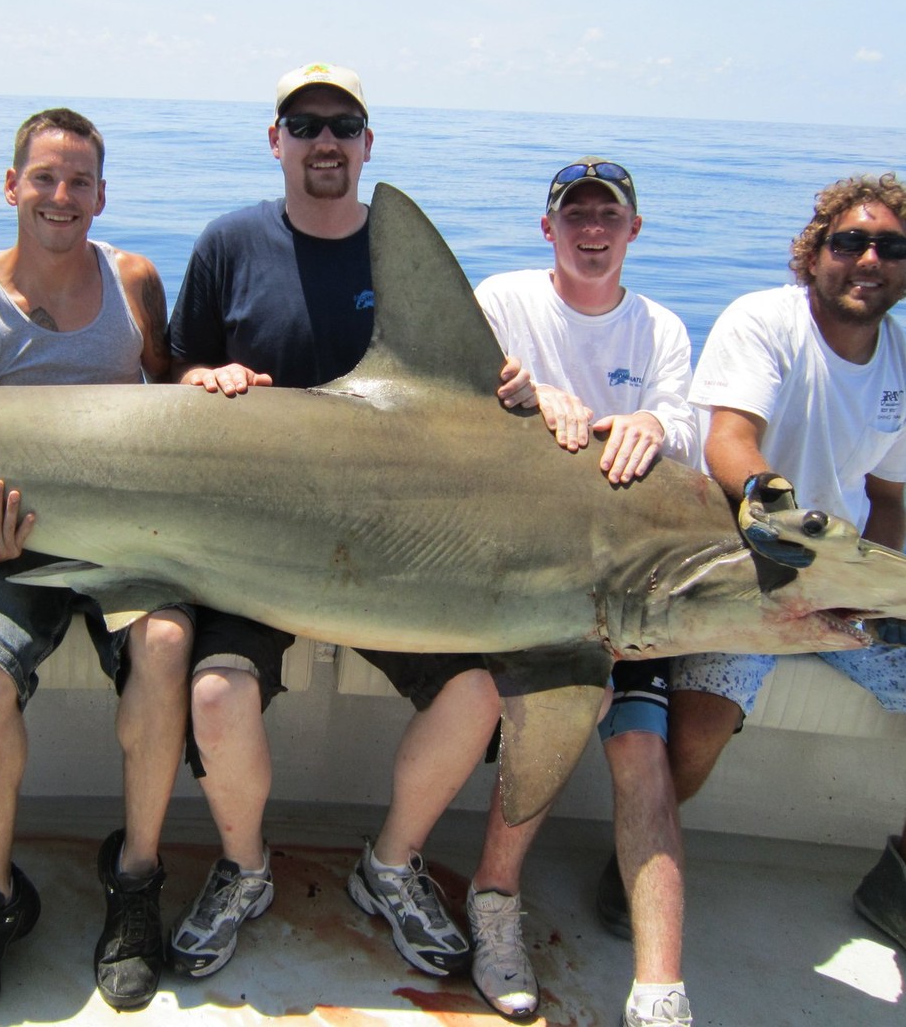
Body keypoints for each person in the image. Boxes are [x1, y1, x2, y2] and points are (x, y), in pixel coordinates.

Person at [166, 62, 533, 983]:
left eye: (343, 124)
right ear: (276, 139)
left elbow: (458, 398)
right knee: (215, 696)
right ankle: (245, 869)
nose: (324, 141)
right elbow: (174, 379)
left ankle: (392, 866)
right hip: (257, 547)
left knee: (478, 692)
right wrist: (202, 382)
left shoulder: (404, 256)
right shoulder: (227, 244)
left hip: (397, 559)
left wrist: (520, 395)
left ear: (368, 143)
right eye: (305, 123)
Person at [0, 108, 181, 1024]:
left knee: (166, 646)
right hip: (15, 546)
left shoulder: (135, 279)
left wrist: (215, 382)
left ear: (102, 196)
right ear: (11, 186)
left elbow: (170, 382)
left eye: (79, 182)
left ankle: (137, 882)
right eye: (44, 178)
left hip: (124, 541)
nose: (60, 197)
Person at [473, 157, 698, 1027]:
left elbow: (683, 422)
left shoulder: (661, 329)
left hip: (624, 585)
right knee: (563, 702)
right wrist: (531, 399)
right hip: (518, 573)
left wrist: (656, 423)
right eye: (577, 214)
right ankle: (494, 902)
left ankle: (661, 989)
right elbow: (462, 397)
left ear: (634, 230)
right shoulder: (504, 302)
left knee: (641, 750)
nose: (593, 228)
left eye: (610, 215)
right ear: (549, 228)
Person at [670, 172, 906, 955]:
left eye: (892, 247)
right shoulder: (764, 319)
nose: (869, 258)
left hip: (847, 586)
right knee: (700, 725)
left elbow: (888, 495)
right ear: (816, 252)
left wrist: (882, 592)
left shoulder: (901, 359)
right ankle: (645, 864)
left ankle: (897, 880)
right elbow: (729, 440)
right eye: (850, 241)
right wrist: (769, 506)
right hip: (751, 568)